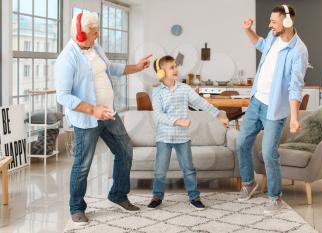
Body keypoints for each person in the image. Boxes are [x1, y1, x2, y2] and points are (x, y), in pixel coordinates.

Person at [55, 12, 152, 224]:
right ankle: (76, 207)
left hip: (109, 112)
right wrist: (93, 110)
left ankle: (118, 194)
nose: (97, 34)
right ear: (80, 33)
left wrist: (136, 66)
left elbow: (111, 68)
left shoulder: (95, 48)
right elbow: (63, 96)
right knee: (83, 164)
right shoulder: (67, 58)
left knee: (125, 150)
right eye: (93, 31)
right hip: (87, 119)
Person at [236, 5, 308, 214]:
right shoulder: (272, 36)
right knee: (241, 143)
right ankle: (249, 184)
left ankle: (275, 197)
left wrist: (294, 117)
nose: (269, 25)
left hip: (274, 108)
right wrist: (248, 30)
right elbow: (261, 44)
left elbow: (296, 87)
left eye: (273, 21)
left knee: (268, 152)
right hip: (256, 101)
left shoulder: (299, 51)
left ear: (287, 22)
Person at [147, 55, 229, 209]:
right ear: (161, 72)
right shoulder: (157, 92)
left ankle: (194, 197)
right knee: (160, 170)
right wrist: (179, 121)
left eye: (175, 66)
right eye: (171, 67)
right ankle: (157, 196)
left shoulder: (184, 89)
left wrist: (219, 115)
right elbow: (158, 115)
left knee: (188, 169)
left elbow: (200, 102)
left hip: (182, 137)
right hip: (163, 136)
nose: (176, 69)